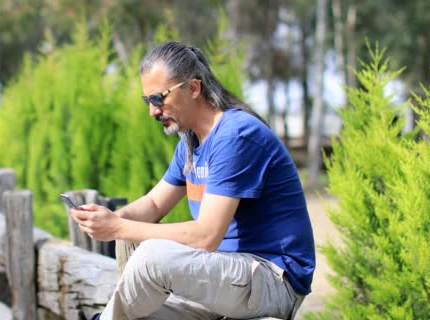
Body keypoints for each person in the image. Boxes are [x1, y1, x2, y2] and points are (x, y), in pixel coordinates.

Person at [70, 42, 315, 320]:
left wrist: (118, 227)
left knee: (150, 254)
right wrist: (110, 218)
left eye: (158, 98)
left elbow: (206, 236)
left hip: (271, 279)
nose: (152, 110)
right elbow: (153, 203)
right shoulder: (190, 142)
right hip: (224, 277)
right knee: (133, 258)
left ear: (194, 89)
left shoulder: (235, 135)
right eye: (147, 101)